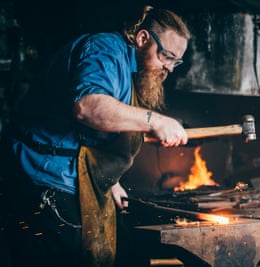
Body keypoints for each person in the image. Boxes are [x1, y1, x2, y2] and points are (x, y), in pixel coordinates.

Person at [0, 5, 190, 267]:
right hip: (43, 179)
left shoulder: (133, 71)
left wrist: (110, 181)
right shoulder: (103, 50)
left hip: (81, 179)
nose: (169, 68)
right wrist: (155, 120)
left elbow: (90, 137)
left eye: (175, 61)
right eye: (166, 56)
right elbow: (88, 107)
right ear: (143, 38)